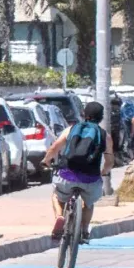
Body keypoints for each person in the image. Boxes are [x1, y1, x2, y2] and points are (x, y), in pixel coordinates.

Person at [44, 101, 115, 242]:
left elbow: (54, 149)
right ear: (101, 117)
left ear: (84, 114)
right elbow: (109, 162)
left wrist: (46, 160)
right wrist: (104, 172)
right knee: (88, 203)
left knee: (57, 196)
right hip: (90, 179)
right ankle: (84, 230)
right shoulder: (104, 135)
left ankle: (59, 216)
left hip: (66, 176)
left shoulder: (71, 129)